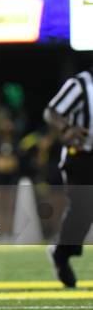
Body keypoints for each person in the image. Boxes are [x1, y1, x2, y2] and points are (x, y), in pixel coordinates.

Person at [44, 68, 93, 288]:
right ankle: (62, 252)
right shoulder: (80, 84)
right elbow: (52, 111)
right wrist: (65, 128)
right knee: (84, 208)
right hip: (81, 156)